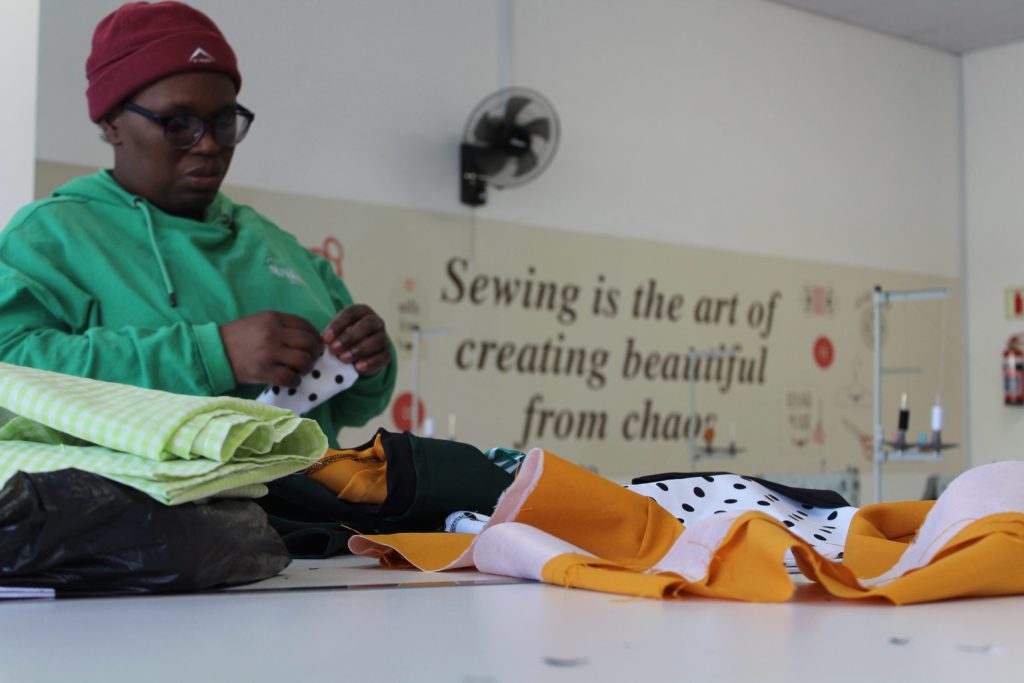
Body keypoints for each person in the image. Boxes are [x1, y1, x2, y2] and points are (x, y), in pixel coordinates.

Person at [0, 1, 396, 447]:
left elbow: (349, 410)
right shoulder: (50, 238)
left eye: (223, 122)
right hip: (127, 495)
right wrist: (211, 355)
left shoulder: (277, 247)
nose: (208, 145)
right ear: (112, 123)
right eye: (178, 123)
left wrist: (369, 364)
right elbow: (10, 374)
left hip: (304, 491)